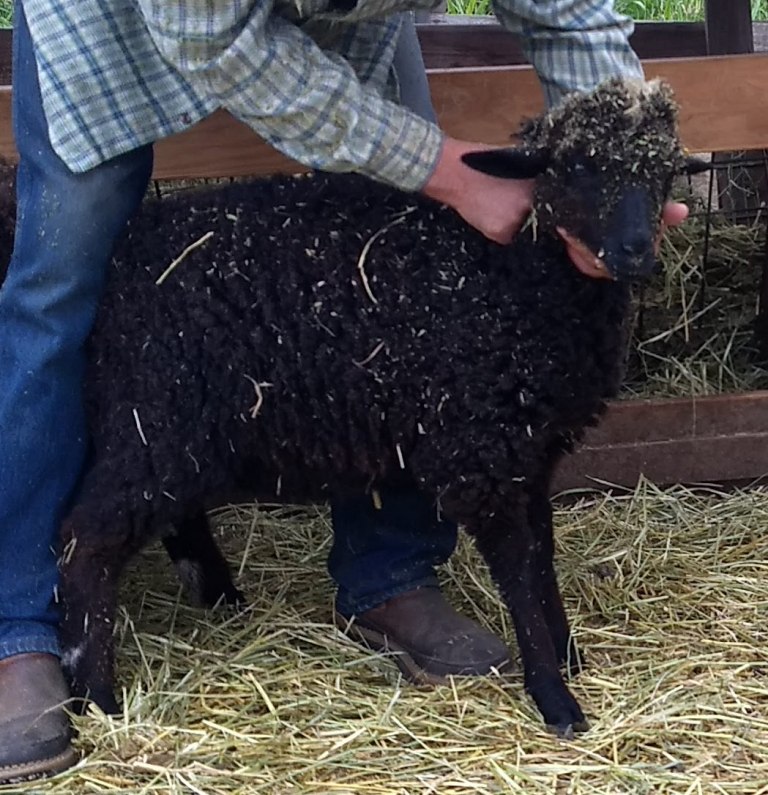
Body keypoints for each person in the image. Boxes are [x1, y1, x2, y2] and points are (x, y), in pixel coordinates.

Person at [0, 0, 687, 783]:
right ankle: (17, 631)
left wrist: (620, 146)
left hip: (345, 20)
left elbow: (571, 15)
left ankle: (389, 577)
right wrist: (436, 165)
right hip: (121, 20)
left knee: (402, 255)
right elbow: (208, 39)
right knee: (58, 280)